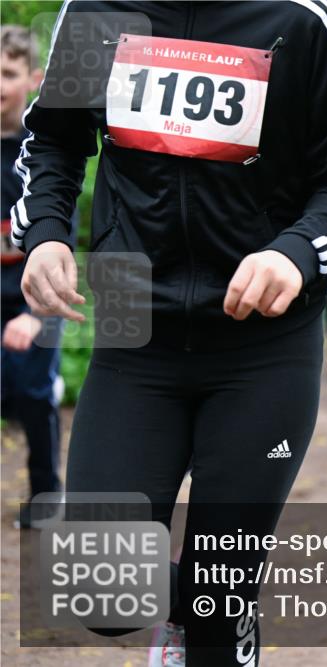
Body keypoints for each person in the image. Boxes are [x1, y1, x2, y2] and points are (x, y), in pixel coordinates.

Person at [12, 3, 327, 665]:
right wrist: (44, 234)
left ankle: (218, 612)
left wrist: (294, 251)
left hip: (261, 347)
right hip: (135, 331)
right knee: (102, 590)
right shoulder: (98, 10)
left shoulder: (302, 19)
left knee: (218, 607)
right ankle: (207, 603)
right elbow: (54, 140)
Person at [0, 24, 66, 530]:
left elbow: (58, 235)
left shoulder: (43, 152)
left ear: (33, 79)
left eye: (7, 73)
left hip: (35, 295)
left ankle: (46, 494)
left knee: (32, 394)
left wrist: (33, 313)